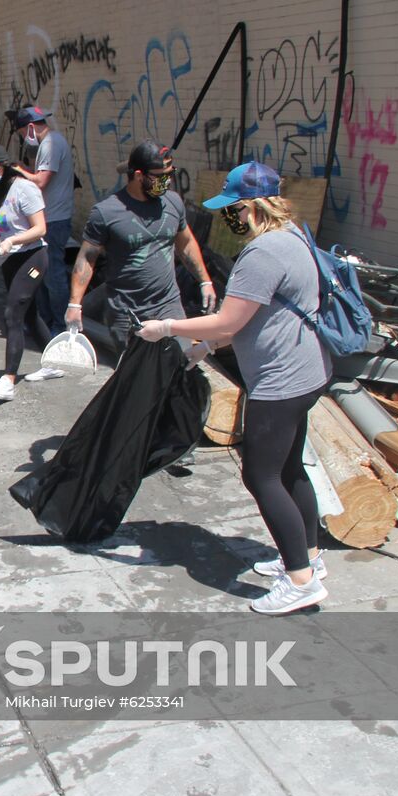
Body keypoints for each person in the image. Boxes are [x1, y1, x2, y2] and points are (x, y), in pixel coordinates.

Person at [136, 161, 331, 616]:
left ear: (250, 207)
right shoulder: (296, 237)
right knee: (289, 471)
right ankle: (310, 559)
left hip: (279, 381)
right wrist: (203, 349)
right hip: (308, 373)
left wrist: (166, 327)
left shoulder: (261, 254)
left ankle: (301, 583)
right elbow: (251, 318)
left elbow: (229, 319)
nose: (229, 218)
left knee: (260, 476)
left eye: (232, 209)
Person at [66, 140, 216, 355]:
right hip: (127, 312)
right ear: (138, 175)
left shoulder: (173, 202)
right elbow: (87, 258)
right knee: (137, 377)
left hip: (169, 305)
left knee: (180, 366)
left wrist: (205, 281)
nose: (167, 181)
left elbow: (186, 244)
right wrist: (75, 305)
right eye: (160, 176)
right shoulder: (107, 212)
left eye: (170, 174)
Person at [0, 144, 65, 402]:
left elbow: (40, 229)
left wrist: (13, 241)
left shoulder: (25, 188)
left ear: (3, 166)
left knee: (13, 313)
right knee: (29, 312)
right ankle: (53, 363)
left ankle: (8, 381)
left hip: (32, 257)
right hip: (8, 259)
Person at [12, 106, 78, 334]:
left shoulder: (50, 144)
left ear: (30, 127)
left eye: (21, 133)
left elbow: (40, 181)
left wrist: (18, 169)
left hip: (53, 219)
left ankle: (60, 325)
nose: (23, 138)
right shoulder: (52, 143)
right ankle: (46, 321)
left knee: (52, 274)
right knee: (40, 272)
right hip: (50, 217)